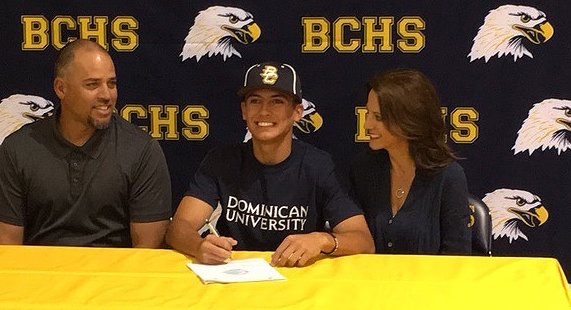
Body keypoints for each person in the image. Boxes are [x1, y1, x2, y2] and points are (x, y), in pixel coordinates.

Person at [167, 61, 374, 266]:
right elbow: (179, 227)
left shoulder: (318, 165)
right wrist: (199, 246)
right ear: (244, 111)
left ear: (297, 112)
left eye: (277, 102)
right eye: (255, 101)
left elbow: (363, 240)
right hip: (233, 276)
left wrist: (322, 240)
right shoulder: (222, 160)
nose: (264, 111)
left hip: (298, 277)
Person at [0, 39, 172, 247]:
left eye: (112, 83)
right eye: (92, 85)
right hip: (41, 276)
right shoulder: (18, 149)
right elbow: (6, 249)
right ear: (61, 88)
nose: (106, 95)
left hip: (115, 278)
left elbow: (148, 255)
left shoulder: (141, 150)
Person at [350, 69, 471, 254]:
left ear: (408, 119)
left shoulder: (448, 177)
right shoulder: (363, 170)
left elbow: (457, 259)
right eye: (368, 114)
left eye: (378, 117)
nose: (367, 125)